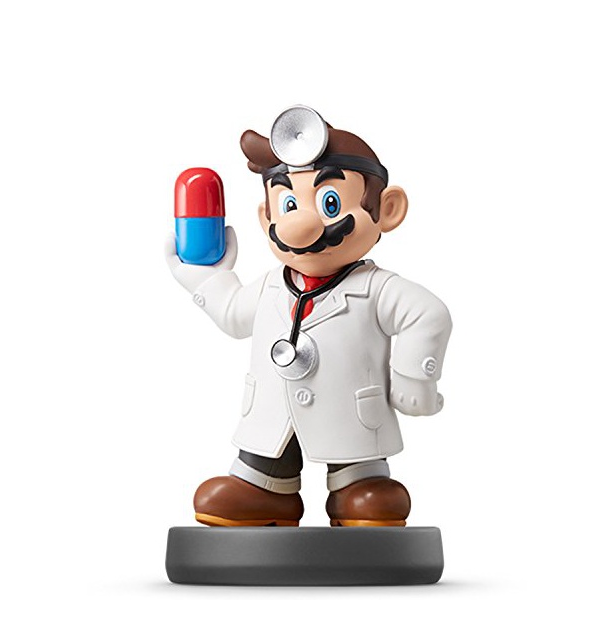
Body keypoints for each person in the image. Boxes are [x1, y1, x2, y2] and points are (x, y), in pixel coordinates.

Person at [166, 106, 452, 527]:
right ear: (266, 217)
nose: (300, 225)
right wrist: (208, 277)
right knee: (265, 453)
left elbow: (428, 314)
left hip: (354, 419)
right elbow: (233, 314)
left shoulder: (377, 289)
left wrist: (413, 379)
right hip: (272, 416)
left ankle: (359, 486)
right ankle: (266, 491)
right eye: (287, 204)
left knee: (362, 479)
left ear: (387, 209)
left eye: (329, 203)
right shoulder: (271, 286)